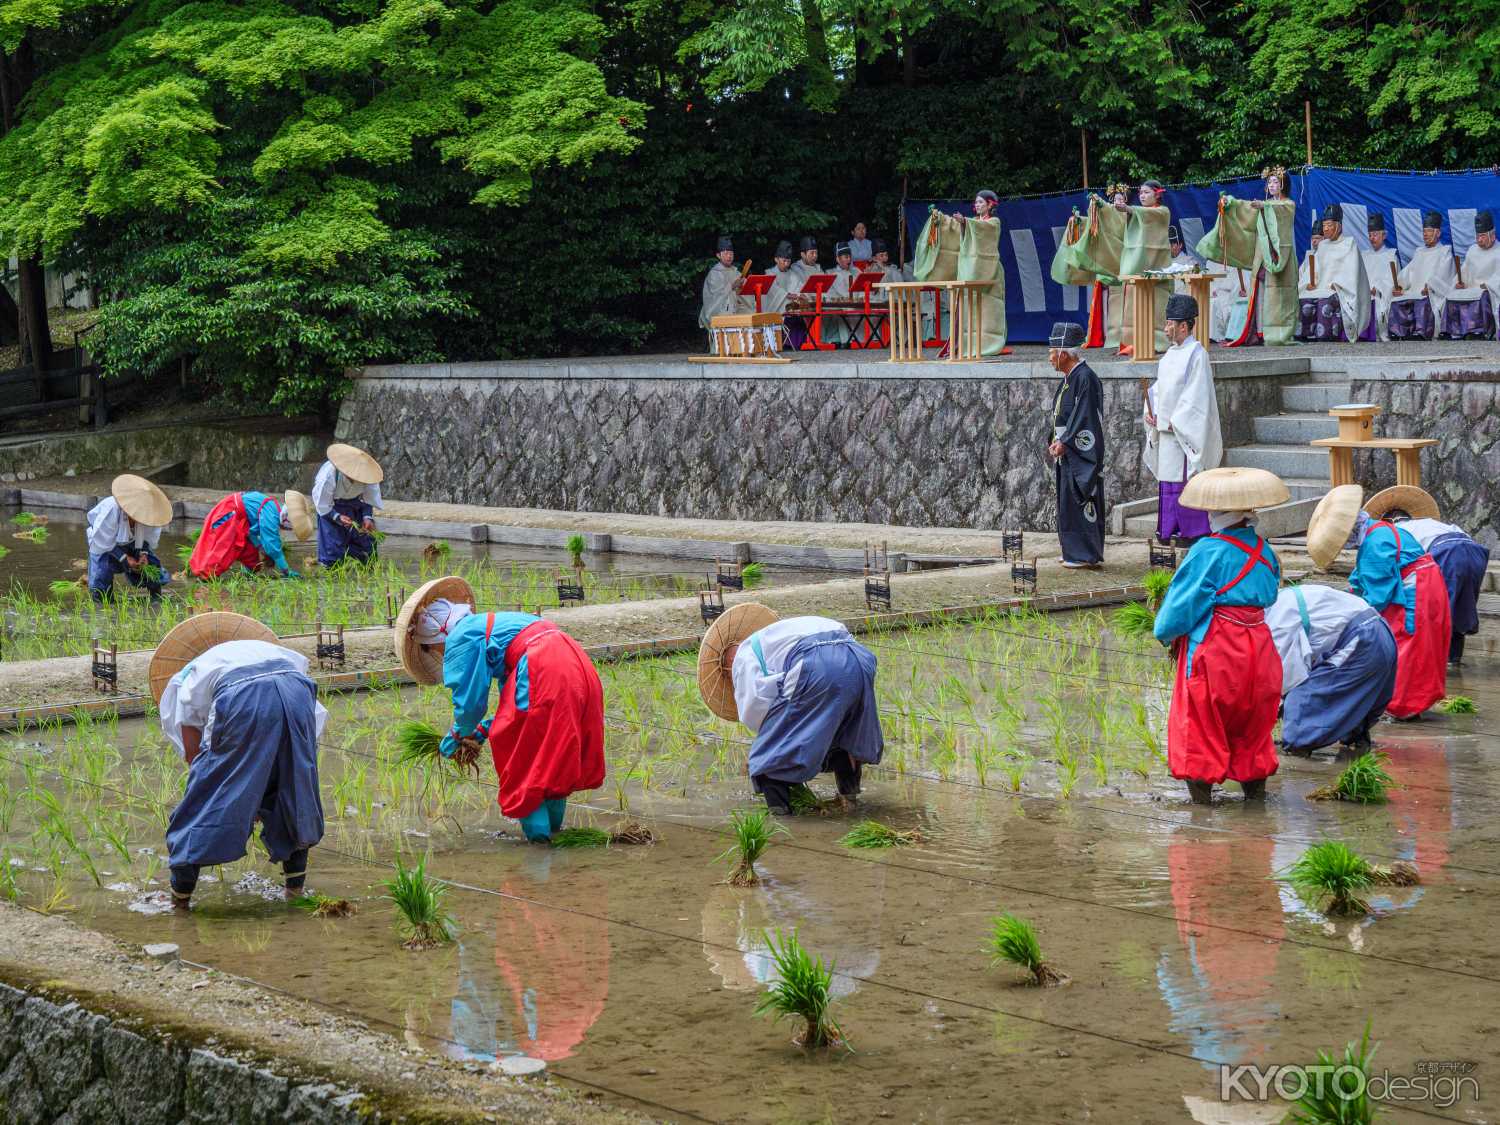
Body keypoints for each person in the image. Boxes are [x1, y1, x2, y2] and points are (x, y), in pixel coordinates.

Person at [396, 578, 605, 843]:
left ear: (439, 636)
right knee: (551, 756)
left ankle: (540, 850)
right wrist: (485, 729)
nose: (439, 654)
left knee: (523, 764)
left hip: (544, 668)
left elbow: (470, 705)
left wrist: (457, 734)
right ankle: (557, 842)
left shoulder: (461, 636)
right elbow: (519, 707)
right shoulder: (495, 627)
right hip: (575, 664)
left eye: (431, 648)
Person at [151, 613, 326, 909]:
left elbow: (196, 758)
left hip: (241, 694)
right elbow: (308, 739)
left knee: (203, 799)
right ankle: (294, 892)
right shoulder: (256, 651)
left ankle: (179, 899)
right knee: (295, 790)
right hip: (297, 688)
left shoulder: (183, 680)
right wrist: (261, 787)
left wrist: (243, 795)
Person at [1152, 467, 1288, 805]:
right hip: (1260, 648)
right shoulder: (1265, 551)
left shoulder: (1207, 552)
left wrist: (1164, 632)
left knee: (1201, 726)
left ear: (1218, 513)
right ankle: (1255, 809)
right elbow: (1271, 594)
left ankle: (1201, 816)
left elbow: (1178, 610)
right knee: (1253, 727)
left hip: (1218, 649)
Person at [697, 604, 883, 816]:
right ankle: (850, 801)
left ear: (728, 661)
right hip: (859, 659)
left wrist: (768, 742)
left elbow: (754, 711)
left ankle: (782, 819)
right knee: (843, 731)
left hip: (817, 664)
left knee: (768, 755)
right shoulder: (774, 636)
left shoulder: (743, 656)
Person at [1305, 485, 1450, 719]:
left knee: (1408, 643)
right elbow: (1362, 575)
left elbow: (1377, 596)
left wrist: (1352, 613)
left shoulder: (1374, 544)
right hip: (1427, 585)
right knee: (1423, 644)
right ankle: (1409, 702)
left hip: (1416, 592)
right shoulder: (1379, 530)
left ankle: (1403, 706)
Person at [1364, 485, 1491, 665]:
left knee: (1438, 610)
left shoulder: (1395, 531)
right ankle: (1453, 658)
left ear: (1388, 521)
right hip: (1474, 552)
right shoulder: (1431, 523)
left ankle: (1435, 660)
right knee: (1460, 604)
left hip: (1446, 552)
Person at [1265, 584, 1397, 755]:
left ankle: (1300, 742)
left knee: (1301, 700)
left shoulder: (1278, 622)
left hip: (1363, 640)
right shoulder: (1282, 600)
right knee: (1353, 693)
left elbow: (1287, 678)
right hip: (1381, 631)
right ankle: (1354, 735)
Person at [1144, 294, 1223, 544]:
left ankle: (1192, 530)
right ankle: (1168, 529)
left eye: (1170, 323)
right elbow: (1160, 389)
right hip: (1166, 430)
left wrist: (1173, 420)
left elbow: (1197, 397)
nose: (1166, 328)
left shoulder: (1197, 354)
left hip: (1182, 431)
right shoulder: (1168, 356)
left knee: (1185, 481)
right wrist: (1151, 410)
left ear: (1184, 326)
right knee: (1169, 480)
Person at [1200, 166, 1297, 347]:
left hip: (1280, 255)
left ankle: (1278, 333)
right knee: (1260, 292)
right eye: (1269, 182)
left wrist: (1264, 206)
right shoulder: (1265, 204)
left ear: (1284, 184)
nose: (1272, 185)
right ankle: (1260, 331)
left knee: (1279, 295)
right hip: (1263, 254)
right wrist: (1232, 203)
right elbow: (1247, 207)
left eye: (1276, 182)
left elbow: (1278, 210)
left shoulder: (1288, 205)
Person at [1046, 322, 1105, 568]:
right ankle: (1072, 551)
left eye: (1052, 352)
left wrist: (1066, 441)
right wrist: (1055, 439)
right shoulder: (1071, 378)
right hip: (1067, 449)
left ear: (1063, 354)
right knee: (1067, 503)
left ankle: (1084, 553)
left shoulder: (1085, 378)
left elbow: (1085, 417)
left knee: (1081, 499)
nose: (1050, 358)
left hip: (1080, 450)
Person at [188, 490, 313, 579]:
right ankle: (205, 578)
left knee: (252, 559)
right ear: (286, 520)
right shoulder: (271, 516)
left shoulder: (272, 508)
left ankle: (245, 576)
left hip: (241, 522)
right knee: (222, 552)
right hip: (229, 514)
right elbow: (273, 547)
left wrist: (261, 549)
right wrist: (286, 571)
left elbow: (251, 533)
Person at [86, 474, 171, 604]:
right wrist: (124, 558)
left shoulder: (152, 515)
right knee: (102, 573)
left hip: (133, 542)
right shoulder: (111, 510)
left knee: (151, 564)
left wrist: (143, 554)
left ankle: (156, 598)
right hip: (105, 544)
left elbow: (148, 538)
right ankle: (104, 603)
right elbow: (103, 542)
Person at [1296, 203, 1372, 342]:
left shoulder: (1349, 244)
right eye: (1324, 226)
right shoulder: (1322, 246)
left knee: (1325, 301)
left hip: (1340, 290)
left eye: (1329, 225)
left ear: (1339, 226)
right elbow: (1315, 271)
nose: (1325, 229)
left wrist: (1338, 285)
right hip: (1321, 288)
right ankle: (1304, 335)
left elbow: (1352, 273)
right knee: (1303, 297)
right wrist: (1309, 284)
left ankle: (1325, 335)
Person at [1113, 179, 1172, 355]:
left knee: (1158, 306)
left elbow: (1145, 213)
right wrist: (1111, 207)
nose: (1142, 196)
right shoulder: (1137, 212)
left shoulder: (1162, 211)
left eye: (1146, 192)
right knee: (1133, 306)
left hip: (1158, 267)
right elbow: (1122, 220)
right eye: (1140, 193)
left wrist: (1128, 208)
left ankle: (1159, 342)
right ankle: (1133, 342)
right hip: (1138, 268)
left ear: (1157, 194)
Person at [951, 188, 1008, 355]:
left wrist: (965, 221)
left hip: (991, 270)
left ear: (990, 204)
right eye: (976, 202)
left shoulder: (994, 222)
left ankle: (989, 344)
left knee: (990, 310)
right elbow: (966, 232)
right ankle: (968, 344)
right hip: (973, 270)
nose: (977, 205)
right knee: (970, 308)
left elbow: (982, 228)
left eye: (981, 202)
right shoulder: (973, 222)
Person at [311, 442, 384, 567]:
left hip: (355, 507)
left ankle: (364, 568)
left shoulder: (369, 474)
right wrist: (336, 517)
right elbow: (322, 504)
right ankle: (332, 570)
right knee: (333, 550)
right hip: (331, 508)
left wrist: (367, 517)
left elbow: (368, 499)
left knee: (367, 544)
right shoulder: (329, 474)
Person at [1388, 211, 1456, 340]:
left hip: (1431, 293)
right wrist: (1399, 285)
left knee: (1422, 301)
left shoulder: (1444, 252)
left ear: (1438, 233)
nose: (1425, 234)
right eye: (1424, 231)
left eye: (1429, 231)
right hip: (1414, 291)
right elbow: (1408, 271)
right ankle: (1398, 332)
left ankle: (1421, 331)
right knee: (1398, 300)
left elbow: (1444, 275)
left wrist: (1430, 287)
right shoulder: (1419, 252)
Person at [1441, 210, 1500, 339]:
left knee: (1482, 297)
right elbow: (1464, 271)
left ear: (1492, 235)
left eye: (1482, 236)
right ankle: (1451, 331)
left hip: (1488, 291)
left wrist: (1489, 285)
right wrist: (1459, 282)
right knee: (1452, 294)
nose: (1479, 239)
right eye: (1477, 236)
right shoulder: (1472, 250)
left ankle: (1478, 331)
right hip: (1470, 289)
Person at [1362, 213, 1400, 341]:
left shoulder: (1391, 255)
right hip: (1365, 294)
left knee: (1378, 304)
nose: (1372, 238)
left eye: (1375, 234)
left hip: (1381, 295)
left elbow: (1394, 281)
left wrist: (1378, 288)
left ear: (1384, 235)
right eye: (1370, 235)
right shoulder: (1364, 255)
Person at [698, 235, 746, 328]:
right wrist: (732, 286)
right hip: (719, 313)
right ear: (718, 255)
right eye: (726, 253)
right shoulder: (714, 274)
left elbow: (743, 294)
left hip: (735, 311)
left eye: (731, 253)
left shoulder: (736, 272)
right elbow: (716, 297)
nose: (729, 256)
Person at [761, 240, 798, 315]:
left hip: (790, 313)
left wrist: (800, 295)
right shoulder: (769, 273)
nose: (786, 264)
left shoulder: (793, 275)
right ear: (776, 259)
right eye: (784, 261)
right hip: (772, 313)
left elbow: (799, 287)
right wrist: (788, 295)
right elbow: (774, 290)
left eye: (788, 261)